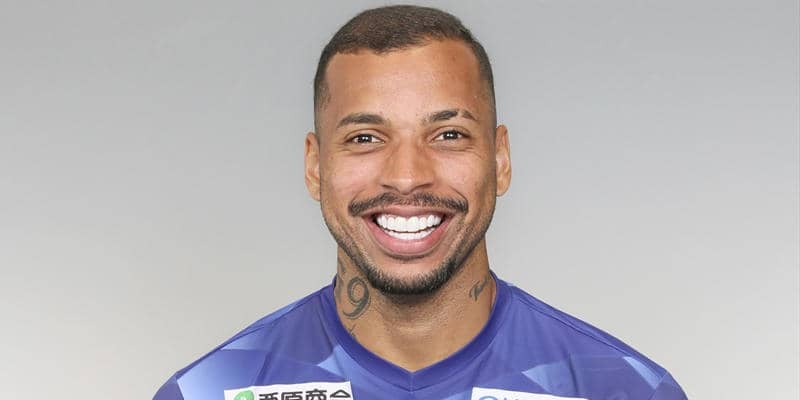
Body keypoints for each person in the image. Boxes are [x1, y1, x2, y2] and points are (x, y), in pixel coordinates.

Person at [154, 5, 687, 400]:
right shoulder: (209, 392)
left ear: (499, 159)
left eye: (449, 135)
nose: (407, 177)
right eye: (365, 138)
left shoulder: (624, 390)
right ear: (315, 166)